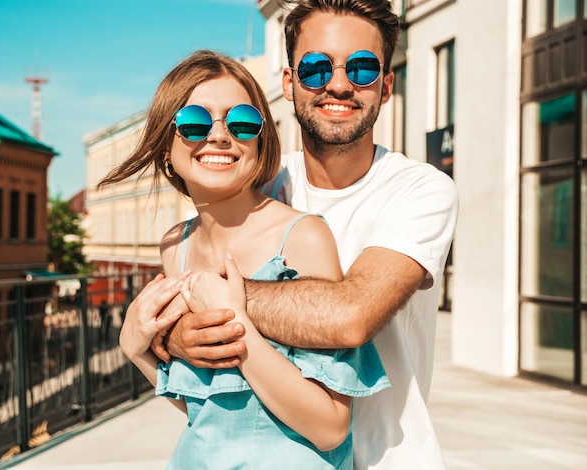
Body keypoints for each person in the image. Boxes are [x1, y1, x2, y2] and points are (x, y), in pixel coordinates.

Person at [155, 1, 459, 469]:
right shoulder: (256, 189)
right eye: (316, 69)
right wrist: (169, 334)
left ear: (387, 85)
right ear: (288, 82)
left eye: (362, 68)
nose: (338, 84)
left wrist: (199, 303)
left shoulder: (420, 189)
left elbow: (350, 317)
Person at [98, 49, 389, 469]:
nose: (219, 135)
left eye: (242, 122)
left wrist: (240, 327)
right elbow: (209, 414)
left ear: (260, 141)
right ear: (165, 145)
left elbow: (329, 427)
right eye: (196, 121)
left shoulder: (302, 237)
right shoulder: (174, 246)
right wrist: (136, 349)